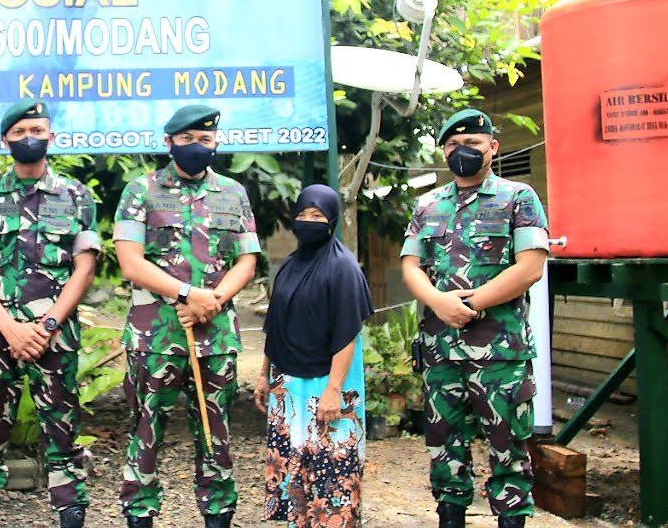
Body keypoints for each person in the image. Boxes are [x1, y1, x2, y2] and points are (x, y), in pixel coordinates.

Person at [113, 105, 261, 528]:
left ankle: (218, 515)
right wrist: (186, 293)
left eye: (206, 140)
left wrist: (212, 300)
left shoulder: (232, 192)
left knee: (216, 438)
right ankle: (139, 514)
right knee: (145, 434)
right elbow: (130, 261)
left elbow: (247, 260)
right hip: (154, 338)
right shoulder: (140, 190)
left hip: (216, 338)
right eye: (188, 139)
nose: (198, 147)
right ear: (169, 143)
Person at [401, 109, 549, 528]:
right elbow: (411, 265)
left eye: (472, 145)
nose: (461, 152)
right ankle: (450, 516)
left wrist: (471, 304)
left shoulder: (518, 198)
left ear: (492, 148)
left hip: (500, 353)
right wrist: (438, 302)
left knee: (508, 451)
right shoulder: (427, 204)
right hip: (440, 351)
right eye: (452, 146)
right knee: (444, 449)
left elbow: (530, 266)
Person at [0, 100, 100, 528]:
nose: (28, 138)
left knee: (62, 434)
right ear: (4, 140)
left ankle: (70, 514)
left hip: (55, 338)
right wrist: (8, 327)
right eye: (19, 132)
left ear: (51, 136)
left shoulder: (76, 195)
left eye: (37, 129)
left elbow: (86, 265)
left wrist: (48, 324)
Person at [255, 184, 373, 526]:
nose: (308, 221)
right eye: (302, 215)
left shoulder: (343, 268)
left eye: (317, 216)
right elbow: (274, 326)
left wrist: (334, 390)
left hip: (328, 382)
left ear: (332, 220)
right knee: (296, 467)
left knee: (330, 470)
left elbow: (347, 334)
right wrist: (265, 374)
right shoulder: (289, 265)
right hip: (288, 382)